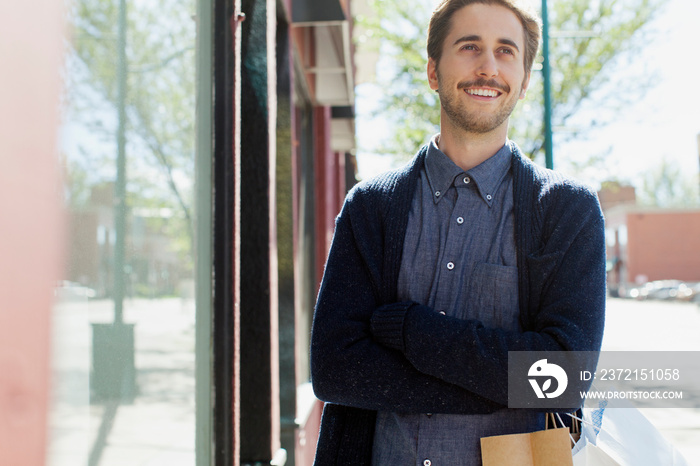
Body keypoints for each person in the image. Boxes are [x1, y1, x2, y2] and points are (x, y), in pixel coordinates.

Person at [310, 0, 606, 464]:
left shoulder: (566, 211)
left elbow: (564, 377)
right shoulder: (370, 207)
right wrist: (499, 384)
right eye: (469, 47)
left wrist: (412, 329)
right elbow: (336, 370)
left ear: (525, 81)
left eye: (506, 51)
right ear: (432, 71)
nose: (488, 66)